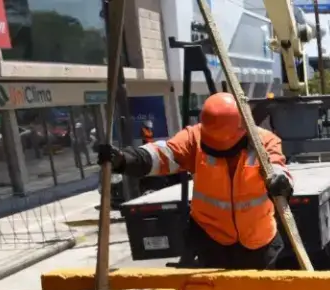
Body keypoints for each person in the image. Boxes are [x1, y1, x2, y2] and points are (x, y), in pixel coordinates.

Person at [99, 92, 293, 270]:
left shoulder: (264, 141)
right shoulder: (194, 138)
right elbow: (162, 155)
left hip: (258, 241)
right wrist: (125, 159)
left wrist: (280, 182)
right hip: (212, 240)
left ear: (242, 131)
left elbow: (277, 166)